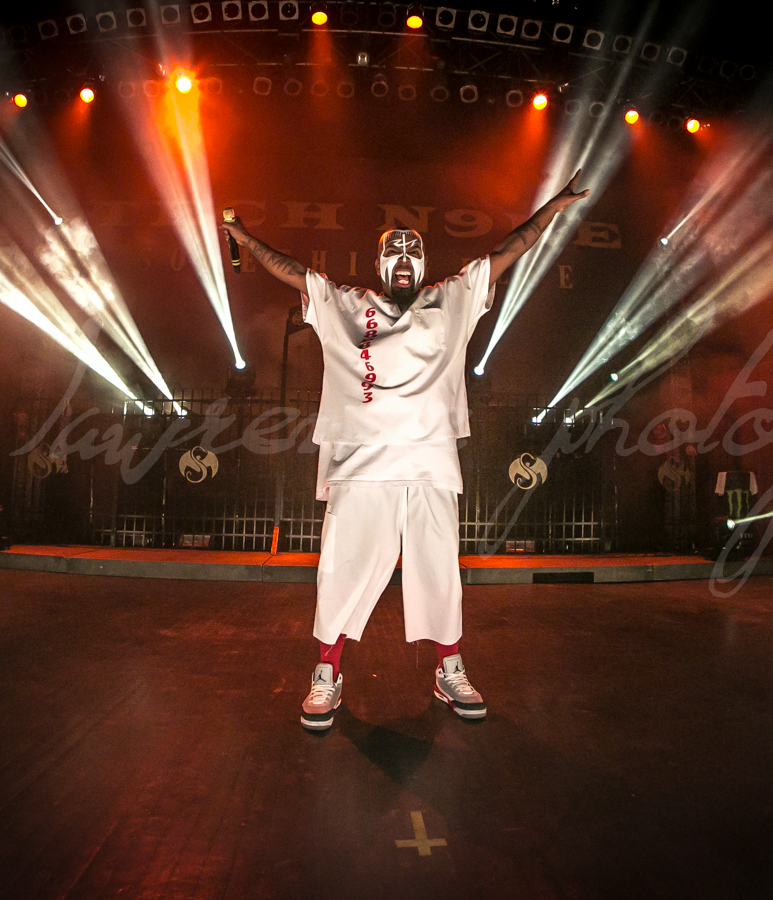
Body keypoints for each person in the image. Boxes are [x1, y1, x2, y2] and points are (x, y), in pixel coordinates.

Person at [221, 172, 589, 730]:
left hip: (430, 462)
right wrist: (246, 240)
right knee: (341, 569)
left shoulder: (452, 299)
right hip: (361, 463)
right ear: (378, 264)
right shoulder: (347, 305)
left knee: (439, 569)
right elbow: (293, 270)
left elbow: (508, 249)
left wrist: (553, 208)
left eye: (412, 250)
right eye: (392, 250)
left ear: (423, 264)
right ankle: (326, 674)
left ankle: (449, 669)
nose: (402, 256)